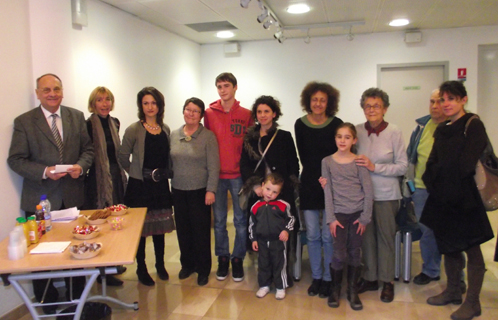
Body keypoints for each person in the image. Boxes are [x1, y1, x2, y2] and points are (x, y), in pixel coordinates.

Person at [7, 73, 94, 314]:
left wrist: (81, 166)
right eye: (46, 90)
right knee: (41, 256)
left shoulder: (75, 116)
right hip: (39, 200)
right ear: (38, 94)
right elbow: (15, 160)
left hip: (73, 197)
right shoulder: (24, 122)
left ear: (62, 91)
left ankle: (78, 297)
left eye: (56, 89)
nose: (52, 94)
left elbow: (88, 150)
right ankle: (46, 301)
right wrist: (45, 171)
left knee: (76, 250)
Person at [421, 81, 494, 320]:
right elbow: (433, 163)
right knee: (449, 247)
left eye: (451, 99)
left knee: (472, 250)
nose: (445, 104)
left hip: (465, 199)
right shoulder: (442, 129)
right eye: (442, 100)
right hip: (443, 198)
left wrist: (444, 179)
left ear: (463, 100)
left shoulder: (473, 124)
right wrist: (433, 182)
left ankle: (472, 302)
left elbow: (464, 164)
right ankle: (453, 290)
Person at [354, 88, 408, 303]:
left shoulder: (394, 131)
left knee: (386, 238)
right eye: (367, 105)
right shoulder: (357, 131)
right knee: (366, 238)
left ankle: (387, 281)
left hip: (387, 195)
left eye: (376, 105)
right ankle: (370, 277)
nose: (372, 109)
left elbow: (403, 166)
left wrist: (375, 167)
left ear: (385, 109)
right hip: (363, 196)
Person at [240, 95, 300, 286]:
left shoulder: (284, 136)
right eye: (259, 112)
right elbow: (245, 165)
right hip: (259, 193)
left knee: (283, 234)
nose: (263, 115)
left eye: (267, 111)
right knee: (262, 232)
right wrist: (255, 185)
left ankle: (284, 272)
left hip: (281, 193)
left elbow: (293, 165)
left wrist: (283, 188)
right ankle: (265, 274)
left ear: (274, 113)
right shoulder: (250, 138)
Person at [119, 87, 175, 286]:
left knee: (159, 228)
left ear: (160, 106)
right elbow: (122, 156)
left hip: (159, 186)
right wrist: (135, 173)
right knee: (141, 231)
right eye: (146, 103)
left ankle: (160, 265)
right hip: (139, 188)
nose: (150, 107)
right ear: (140, 106)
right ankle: (141, 268)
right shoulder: (134, 129)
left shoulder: (165, 129)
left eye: (154, 103)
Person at [294, 81, 343, 297]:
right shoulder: (300, 124)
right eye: (315, 99)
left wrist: (330, 180)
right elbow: (304, 156)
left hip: (332, 184)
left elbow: (338, 155)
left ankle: (329, 278)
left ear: (329, 102)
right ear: (308, 101)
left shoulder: (337, 123)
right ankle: (316, 276)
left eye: (323, 100)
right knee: (312, 235)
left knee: (328, 235)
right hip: (309, 183)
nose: (318, 103)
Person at [204, 72, 254, 282]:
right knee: (219, 222)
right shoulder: (209, 113)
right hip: (216, 175)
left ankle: (237, 259)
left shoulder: (246, 114)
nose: (222, 90)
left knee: (241, 221)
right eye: (219, 86)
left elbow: (251, 145)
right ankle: (223, 258)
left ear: (235, 88)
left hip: (238, 176)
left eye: (226, 86)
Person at [322, 123, 373, 310]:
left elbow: (368, 191)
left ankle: (353, 291)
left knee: (354, 252)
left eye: (347, 137)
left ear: (354, 140)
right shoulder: (326, 162)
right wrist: (331, 218)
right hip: (338, 215)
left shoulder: (359, 161)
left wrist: (365, 217)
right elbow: (327, 192)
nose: (342, 140)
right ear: (335, 139)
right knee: (338, 253)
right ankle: (335, 290)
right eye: (339, 136)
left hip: (358, 214)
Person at [170, 97, 220, 286]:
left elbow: (214, 166)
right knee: (183, 230)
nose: (191, 114)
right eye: (188, 110)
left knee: (200, 232)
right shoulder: (174, 134)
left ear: (201, 115)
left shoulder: (207, 136)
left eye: (195, 111)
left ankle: (203, 268)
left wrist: (211, 190)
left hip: (200, 191)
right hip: (178, 190)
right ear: (183, 111)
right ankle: (187, 265)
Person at [84, 87, 128, 287]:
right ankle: (102, 271)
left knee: (116, 223)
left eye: (107, 99)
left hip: (116, 177)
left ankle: (113, 264)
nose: (104, 103)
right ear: (93, 104)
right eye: (100, 100)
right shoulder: (87, 125)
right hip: (98, 181)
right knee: (101, 225)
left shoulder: (115, 123)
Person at [406, 89, 447, 285]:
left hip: (447, 189)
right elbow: (411, 156)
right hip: (421, 188)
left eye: (439, 101)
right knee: (427, 230)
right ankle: (431, 270)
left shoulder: (456, 126)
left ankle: (459, 277)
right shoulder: (422, 127)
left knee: (451, 231)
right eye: (431, 101)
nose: (434, 106)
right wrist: (411, 187)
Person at [249, 173, 295, 300]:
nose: (270, 194)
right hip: (262, 241)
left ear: (279, 193)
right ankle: (264, 285)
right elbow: (252, 224)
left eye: (274, 192)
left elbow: (291, 220)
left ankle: (280, 287)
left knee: (279, 264)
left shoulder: (283, 205)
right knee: (263, 263)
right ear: (262, 186)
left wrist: (286, 230)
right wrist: (253, 239)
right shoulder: (255, 207)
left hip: (278, 241)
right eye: (268, 189)